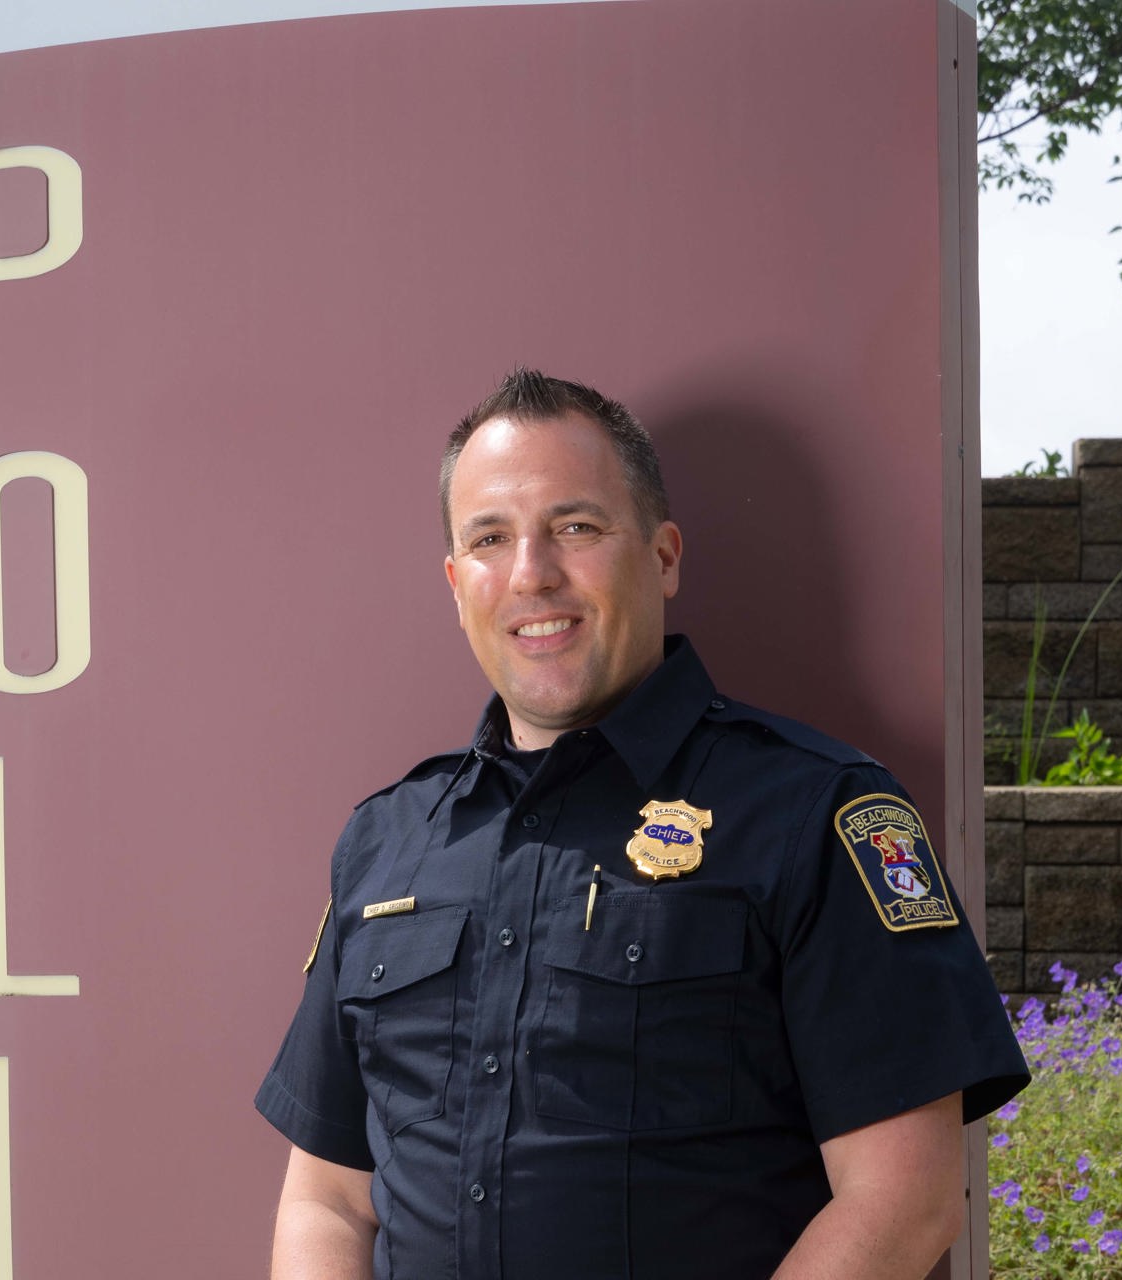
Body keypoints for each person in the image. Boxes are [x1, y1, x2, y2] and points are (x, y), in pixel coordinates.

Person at [255, 370, 1029, 1279]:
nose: (532, 573)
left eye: (575, 527)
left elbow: (904, 1197)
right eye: (491, 539)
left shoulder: (815, 811)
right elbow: (328, 1198)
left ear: (662, 556)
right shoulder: (387, 841)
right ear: (457, 579)